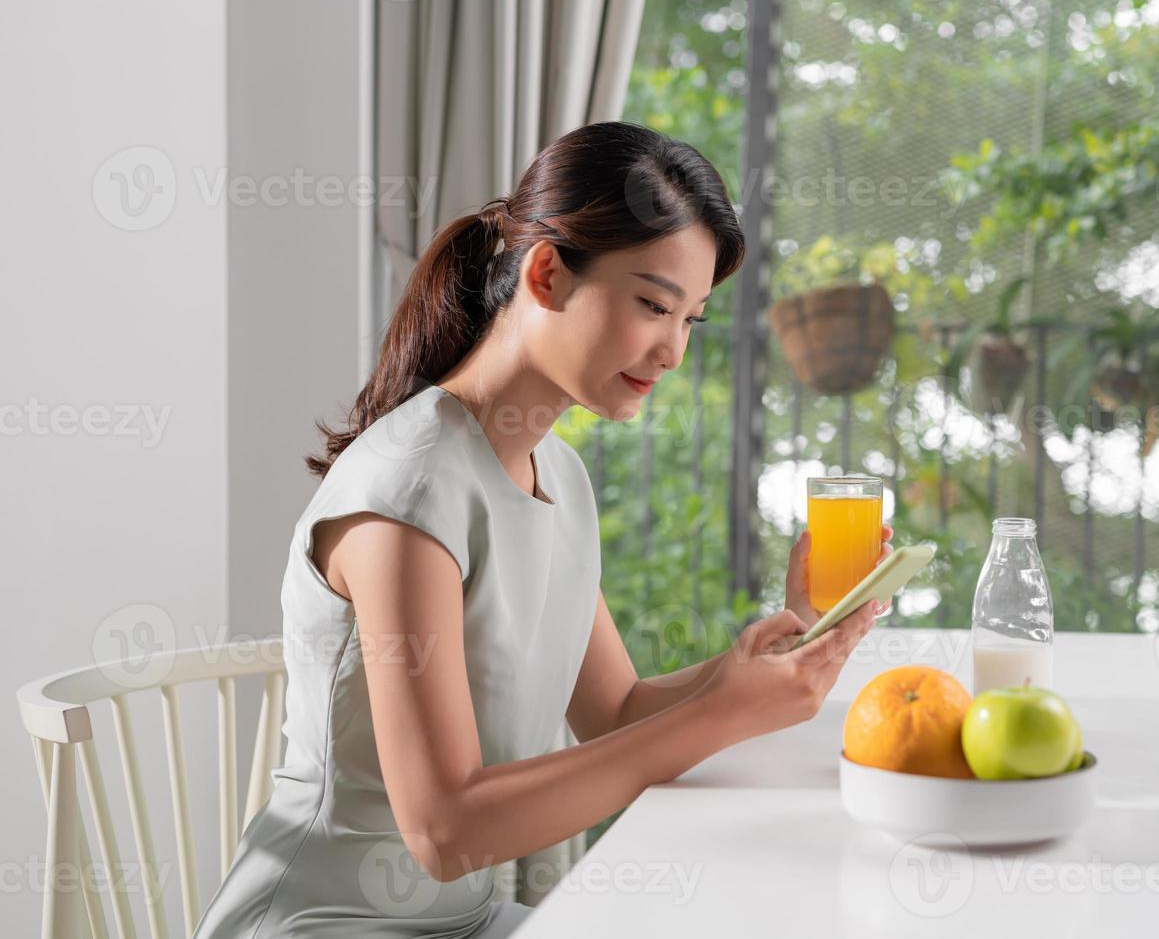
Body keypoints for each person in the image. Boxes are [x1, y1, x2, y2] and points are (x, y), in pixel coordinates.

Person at [193, 121, 892, 938]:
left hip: (465, 922)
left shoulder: (556, 475)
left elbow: (618, 712)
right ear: (548, 274)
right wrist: (721, 714)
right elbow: (444, 833)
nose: (671, 350)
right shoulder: (409, 491)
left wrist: (793, 640)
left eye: (691, 321)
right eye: (653, 305)